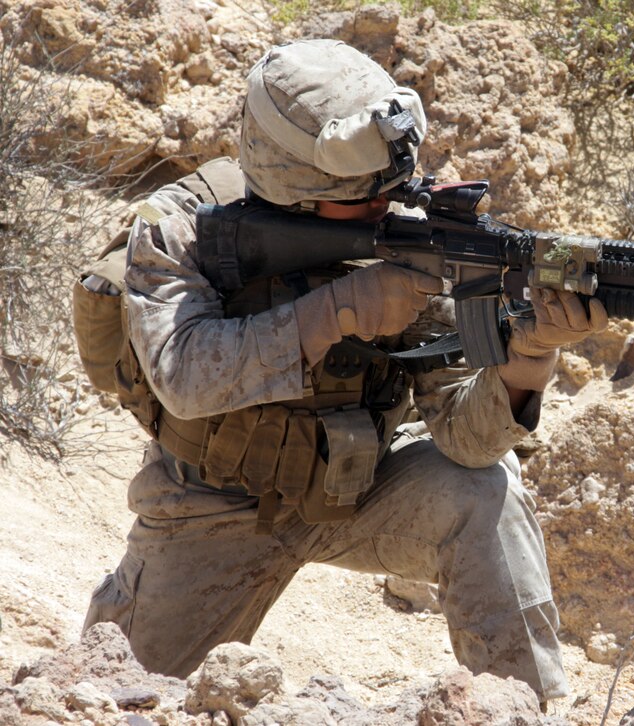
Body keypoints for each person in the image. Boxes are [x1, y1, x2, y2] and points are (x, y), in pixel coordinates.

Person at [83, 38, 607, 705]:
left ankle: (518, 709)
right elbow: (185, 377)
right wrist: (341, 308)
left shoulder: (408, 232)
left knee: (483, 489)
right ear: (293, 184)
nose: (382, 209)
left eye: (386, 191)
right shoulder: (182, 229)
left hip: (358, 495)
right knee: (116, 699)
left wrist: (530, 355)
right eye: (357, 199)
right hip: (209, 507)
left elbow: (464, 440)